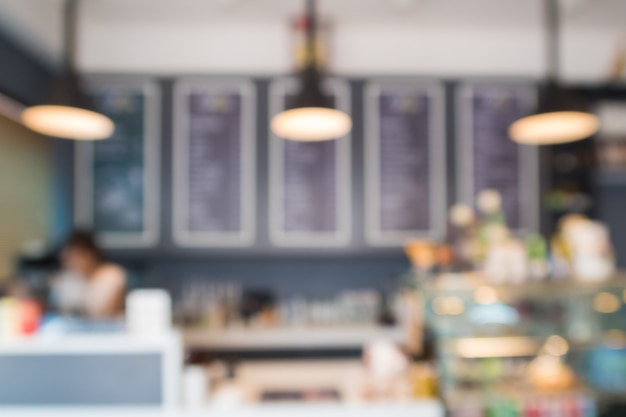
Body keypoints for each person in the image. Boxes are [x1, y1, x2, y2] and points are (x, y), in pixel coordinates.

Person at [52, 230, 126, 320]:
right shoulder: (70, 278)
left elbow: (110, 313)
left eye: (75, 255)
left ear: (91, 254)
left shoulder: (113, 275)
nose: (70, 261)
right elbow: (60, 310)